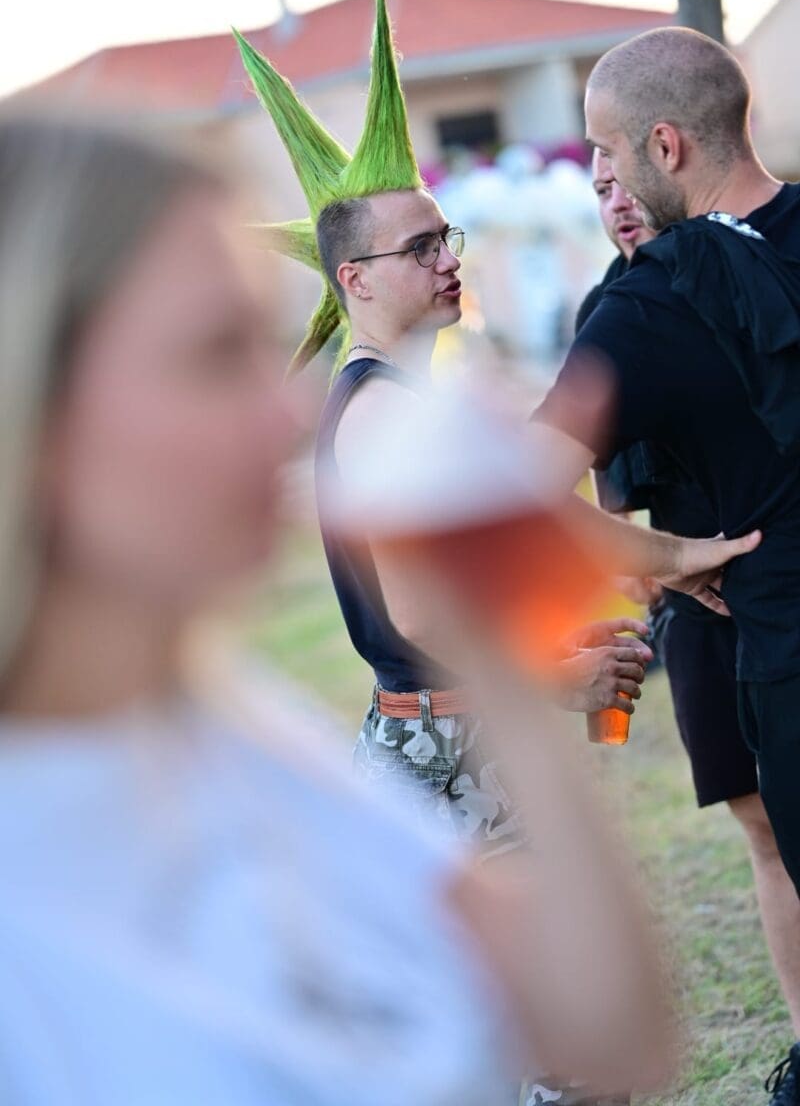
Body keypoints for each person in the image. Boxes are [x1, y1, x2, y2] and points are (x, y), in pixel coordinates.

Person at [0, 109, 673, 1104]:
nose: (286, 416)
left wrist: (507, 654)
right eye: (215, 353)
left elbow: (609, 1031)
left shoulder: (235, 738)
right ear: (32, 408)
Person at [236, 0, 760, 1106]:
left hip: (452, 743)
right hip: (447, 754)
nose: (448, 258)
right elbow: (425, 611)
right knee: (564, 1062)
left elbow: (526, 513)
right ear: (352, 279)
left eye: (447, 236)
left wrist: (675, 561)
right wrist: (558, 678)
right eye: (419, 246)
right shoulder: (379, 410)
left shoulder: (402, 403)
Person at [535, 25, 800, 1102]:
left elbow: (511, 492)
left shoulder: (650, 305)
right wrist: (659, 554)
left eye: (605, 152)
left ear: (664, 145)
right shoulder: (639, 295)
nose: (601, 178)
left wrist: (675, 555)